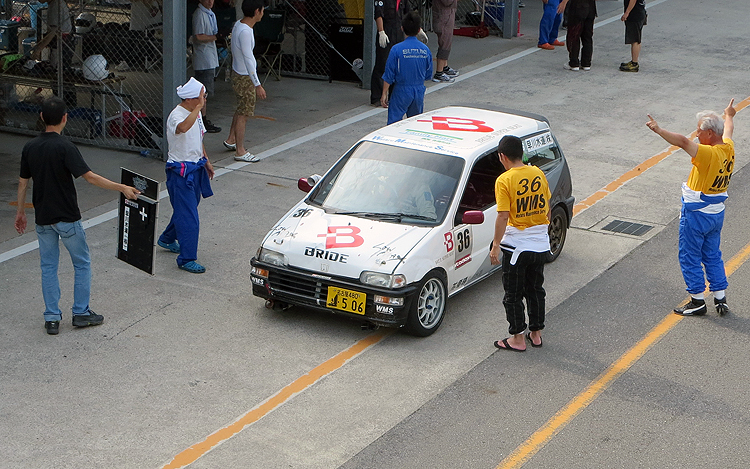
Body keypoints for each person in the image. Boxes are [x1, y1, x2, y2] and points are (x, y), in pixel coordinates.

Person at [15, 97, 141, 335]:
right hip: (67, 218)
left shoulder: (30, 147)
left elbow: (23, 183)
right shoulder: (65, 147)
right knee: (81, 263)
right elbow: (90, 177)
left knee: (48, 267)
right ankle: (81, 312)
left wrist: (21, 212)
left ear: (41, 117)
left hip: (43, 219)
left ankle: (52, 317)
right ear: (65, 118)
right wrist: (122, 187)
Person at [646, 99, 736, 317]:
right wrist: (729, 115)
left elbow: (682, 142)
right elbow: (729, 129)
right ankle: (720, 297)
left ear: (710, 135)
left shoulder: (708, 154)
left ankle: (697, 300)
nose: (696, 135)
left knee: (689, 256)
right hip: (716, 213)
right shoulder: (728, 148)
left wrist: (659, 130)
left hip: (697, 214)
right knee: (713, 254)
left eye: (699, 132)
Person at [490, 135, 551, 352]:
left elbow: (503, 216)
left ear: (502, 156)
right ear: (521, 153)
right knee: (535, 289)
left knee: (513, 294)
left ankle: (517, 338)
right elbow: (547, 206)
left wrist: (496, 244)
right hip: (541, 243)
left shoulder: (504, 180)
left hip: (517, 247)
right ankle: (536, 333)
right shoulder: (538, 173)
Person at [157, 77, 215, 274]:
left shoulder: (194, 113)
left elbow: (199, 137)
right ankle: (186, 258)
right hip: (180, 173)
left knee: (186, 208)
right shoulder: (177, 115)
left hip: (195, 167)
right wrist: (198, 108)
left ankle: (167, 238)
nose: (205, 99)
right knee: (189, 216)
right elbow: (182, 128)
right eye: (202, 96)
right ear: (191, 99)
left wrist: (205, 159)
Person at [223, 0, 266, 162]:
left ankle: (231, 139)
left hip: (237, 73)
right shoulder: (246, 31)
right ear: (257, 11)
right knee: (244, 113)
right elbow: (249, 59)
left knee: (241, 108)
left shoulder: (238, 25)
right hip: (244, 77)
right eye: (262, 10)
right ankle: (240, 151)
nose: (263, 13)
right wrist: (257, 84)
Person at [381, 12, 433, 125]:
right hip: (418, 90)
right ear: (419, 30)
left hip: (401, 90)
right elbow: (429, 74)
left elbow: (389, 74)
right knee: (415, 123)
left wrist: (384, 93)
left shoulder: (396, 49)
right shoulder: (425, 50)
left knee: (394, 122)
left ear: (402, 28)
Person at [192, 0, 222, 132]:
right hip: (204, 58)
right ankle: (202, 120)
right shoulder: (199, 14)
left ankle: (202, 118)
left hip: (210, 56)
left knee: (205, 92)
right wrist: (216, 37)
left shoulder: (210, 14)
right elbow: (198, 36)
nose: (210, 2)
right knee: (203, 92)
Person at [558, 0, 596, 71]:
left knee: (574, 35)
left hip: (577, 8)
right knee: (587, 37)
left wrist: (564, 2)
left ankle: (574, 62)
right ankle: (586, 63)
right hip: (591, 8)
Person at [432, 0, 459, 83]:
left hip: (446, 16)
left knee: (447, 42)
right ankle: (439, 73)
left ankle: (444, 67)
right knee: (444, 44)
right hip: (443, 18)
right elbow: (446, 2)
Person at [619, 0, 646, 72]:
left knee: (635, 40)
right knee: (637, 38)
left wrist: (627, 12)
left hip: (635, 14)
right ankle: (634, 61)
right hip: (640, 11)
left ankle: (634, 63)